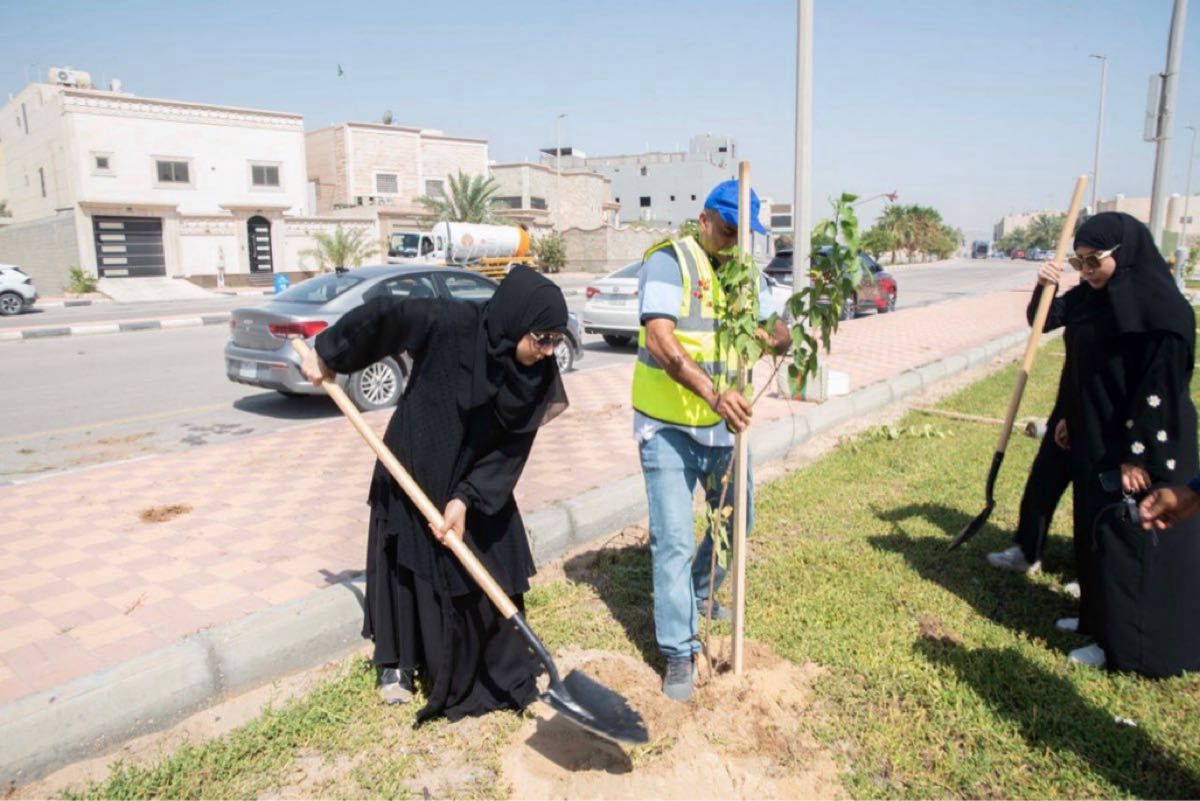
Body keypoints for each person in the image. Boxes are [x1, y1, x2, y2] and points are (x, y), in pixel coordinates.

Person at [299, 266, 570, 720]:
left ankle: (504, 671)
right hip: (415, 461)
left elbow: (512, 448)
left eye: (555, 342)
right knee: (408, 565)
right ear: (516, 321)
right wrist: (327, 353)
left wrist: (467, 497)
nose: (547, 351)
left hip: (476, 477)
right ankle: (397, 664)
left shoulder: (537, 373)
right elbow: (387, 315)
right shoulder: (451, 322)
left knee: (492, 556)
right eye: (541, 339)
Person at [633, 180, 789, 701]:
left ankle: (701, 590)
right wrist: (715, 394)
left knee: (739, 520)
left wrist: (777, 336)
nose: (734, 242)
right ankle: (679, 651)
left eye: (744, 235)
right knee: (673, 539)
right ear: (704, 221)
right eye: (727, 231)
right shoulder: (669, 262)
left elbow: (780, 330)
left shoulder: (750, 276)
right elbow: (660, 340)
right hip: (668, 428)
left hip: (724, 432)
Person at [1033, 212, 1200, 677]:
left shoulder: (1162, 313)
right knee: (1095, 531)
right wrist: (1072, 415)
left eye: (1095, 261)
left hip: (1139, 447)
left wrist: (1136, 455)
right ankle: (1097, 620)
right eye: (1079, 262)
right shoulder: (1093, 299)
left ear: (1125, 255)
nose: (1086, 271)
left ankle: (1125, 648)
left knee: (1129, 542)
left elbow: (1159, 392)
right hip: (1096, 434)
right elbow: (1077, 359)